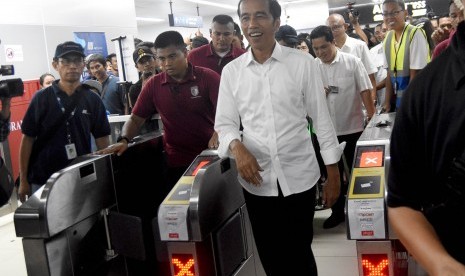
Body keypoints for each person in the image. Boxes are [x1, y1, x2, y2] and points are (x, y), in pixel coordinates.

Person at [215, 0, 343, 274]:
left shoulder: (303, 63)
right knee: (271, 257)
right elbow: (224, 125)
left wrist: (333, 172)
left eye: (260, 16)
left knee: (300, 254)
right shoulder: (232, 73)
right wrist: (237, 147)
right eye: (246, 17)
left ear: (275, 22)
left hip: (299, 176)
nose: (252, 24)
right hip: (257, 181)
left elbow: (321, 120)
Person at [386, 16, 465, 275]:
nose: (387, 18)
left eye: (391, 11)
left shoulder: (414, 37)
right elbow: (402, 201)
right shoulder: (429, 90)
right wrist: (444, 266)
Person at [99, 31, 220, 192]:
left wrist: (218, 132)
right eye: (161, 58)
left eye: (172, 57)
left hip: (211, 158)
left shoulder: (208, 78)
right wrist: (124, 139)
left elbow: (228, 114)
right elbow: (135, 119)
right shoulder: (154, 85)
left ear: (185, 53)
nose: (166, 63)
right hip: (176, 161)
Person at [18, 41, 111, 202]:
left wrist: (107, 175)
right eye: (66, 61)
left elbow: (102, 139)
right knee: (47, 225)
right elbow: (27, 139)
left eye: (77, 61)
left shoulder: (92, 99)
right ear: (55, 65)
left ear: (83, 65)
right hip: (43, 179)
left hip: (80, 177)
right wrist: (24, 180)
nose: (72, 66)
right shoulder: (41, 98)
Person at [310, 25, 375, 229]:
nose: (320, 53)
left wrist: (372, 121)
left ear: (333, 42)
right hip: (326, 133)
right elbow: (304, 98)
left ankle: (362, 212)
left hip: (352, 126)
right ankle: (337, 212)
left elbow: (365, 91)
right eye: (316, 48)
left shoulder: (352, 62)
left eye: (324, 47)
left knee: (358, 173)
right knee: (332, 174)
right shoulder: (312, 67)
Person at [382, 0, 430, 112]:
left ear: (405, 13)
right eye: (385, 13)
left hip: (414, 102)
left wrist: (407, 106)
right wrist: (387, 103)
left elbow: (416, 74)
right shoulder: (388, 37)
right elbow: (389, 74)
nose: (389, 17)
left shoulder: (415, 33)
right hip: (398, 103)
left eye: (394, 12)